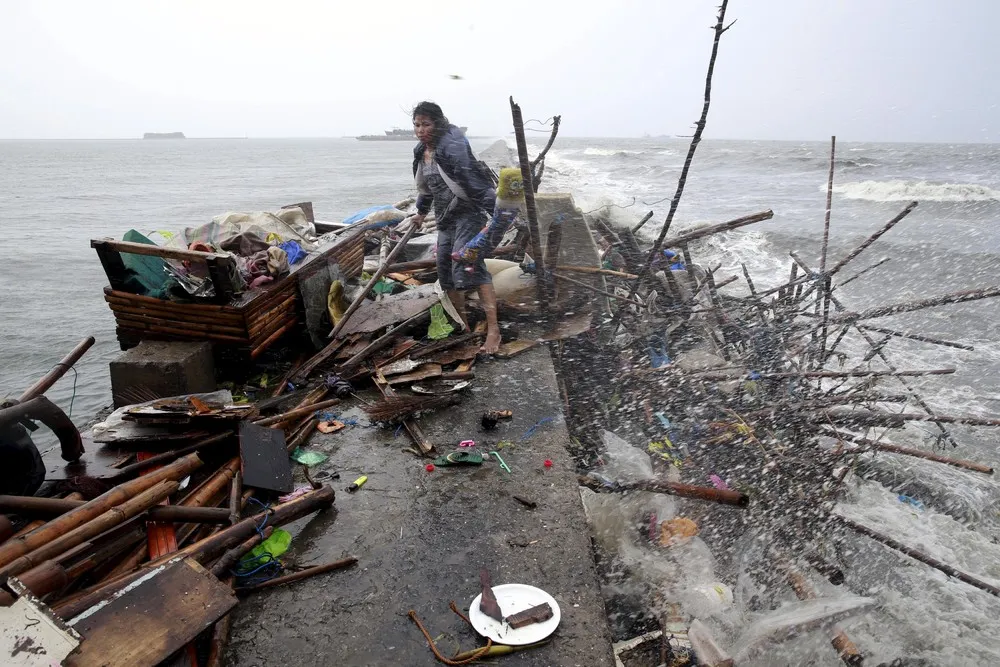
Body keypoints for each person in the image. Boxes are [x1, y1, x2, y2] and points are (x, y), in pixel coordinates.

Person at [410, 101, 501, 353]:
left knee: (469, 264)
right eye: (416, 125)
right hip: (445, 217)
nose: (420, 130)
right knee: (445, 271)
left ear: (437, 124)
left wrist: (498, 215)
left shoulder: (452, 148)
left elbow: (475, 183)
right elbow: (427, 187)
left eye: (426, 124)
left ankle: (494, 330)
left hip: (468, 214)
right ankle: (463, 327)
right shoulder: (421, 151)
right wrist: (420, 213)